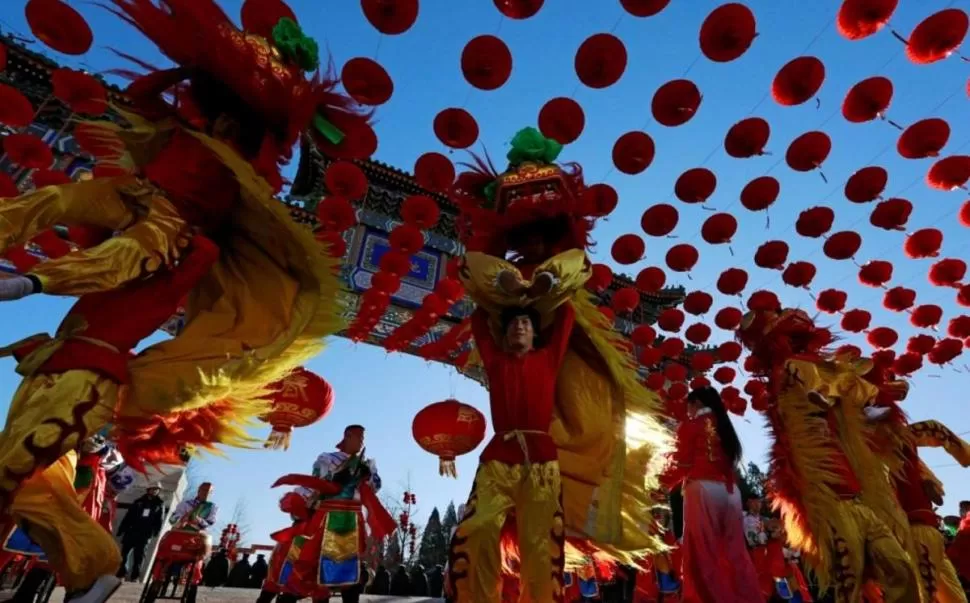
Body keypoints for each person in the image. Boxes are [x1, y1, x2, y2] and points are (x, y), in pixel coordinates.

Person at [0, 232, 219, 603]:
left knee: (14, 472)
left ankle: (96, 567)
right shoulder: (119, 265)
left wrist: (194, 228)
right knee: (23, 480)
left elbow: (204, 253)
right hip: (55, 371)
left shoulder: (160, 275)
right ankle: (90, 573)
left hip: (83, 379)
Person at [738, 306, 919, 603]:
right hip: (831, 502)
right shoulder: (789, 371)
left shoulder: (821, 375)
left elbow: (851, 389)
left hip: (859, 497)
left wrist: (878, 393)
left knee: (900, 568)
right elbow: (827, 385)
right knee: (850, 580)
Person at [451, 301, 574, 601]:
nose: (519, 326)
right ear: (504, 335)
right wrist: (498, 290)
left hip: (541, 462)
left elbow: (566, 316)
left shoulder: (548, 358)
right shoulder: (495, 360)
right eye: (513, 323)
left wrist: (546, 287)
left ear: (536, 335)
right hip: (498, 458)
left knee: (539, 543)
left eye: (526, 324)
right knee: (479, 530)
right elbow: (480, 320)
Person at [660, 386, 762, 603]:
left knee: (701, 552)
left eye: (688, 405)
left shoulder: (690, 426)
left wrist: (661, 482)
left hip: (702, 490)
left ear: (695, 403)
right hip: (730, 492)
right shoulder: (725, 426)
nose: (687, 410)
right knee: (734, 552)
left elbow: (683, 463)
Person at [274, 425, 394, 603]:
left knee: (351, 567)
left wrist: (368, 477)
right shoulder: (327, 458)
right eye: (359, 438)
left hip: (353, 517)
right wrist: (341, 475)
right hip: (329, 514)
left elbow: (375, 487)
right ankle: (291, 596)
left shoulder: (367, 464)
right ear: (347, 436)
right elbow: (319, 481)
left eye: (363, 440)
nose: (362, 443)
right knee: (315, 562)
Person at [117, 483, 166, 581]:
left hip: (144, 534)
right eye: (153, 489)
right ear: (148, 490)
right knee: (124, 554)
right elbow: (128, 516)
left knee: (139, 556)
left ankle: (135, 576)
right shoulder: (138, 502)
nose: (155, 491)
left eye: (157, 490)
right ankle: (121, 573)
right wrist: (122, 529)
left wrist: (155, 532)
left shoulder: (159, 504)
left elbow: (159, 520)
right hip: (132, 531)